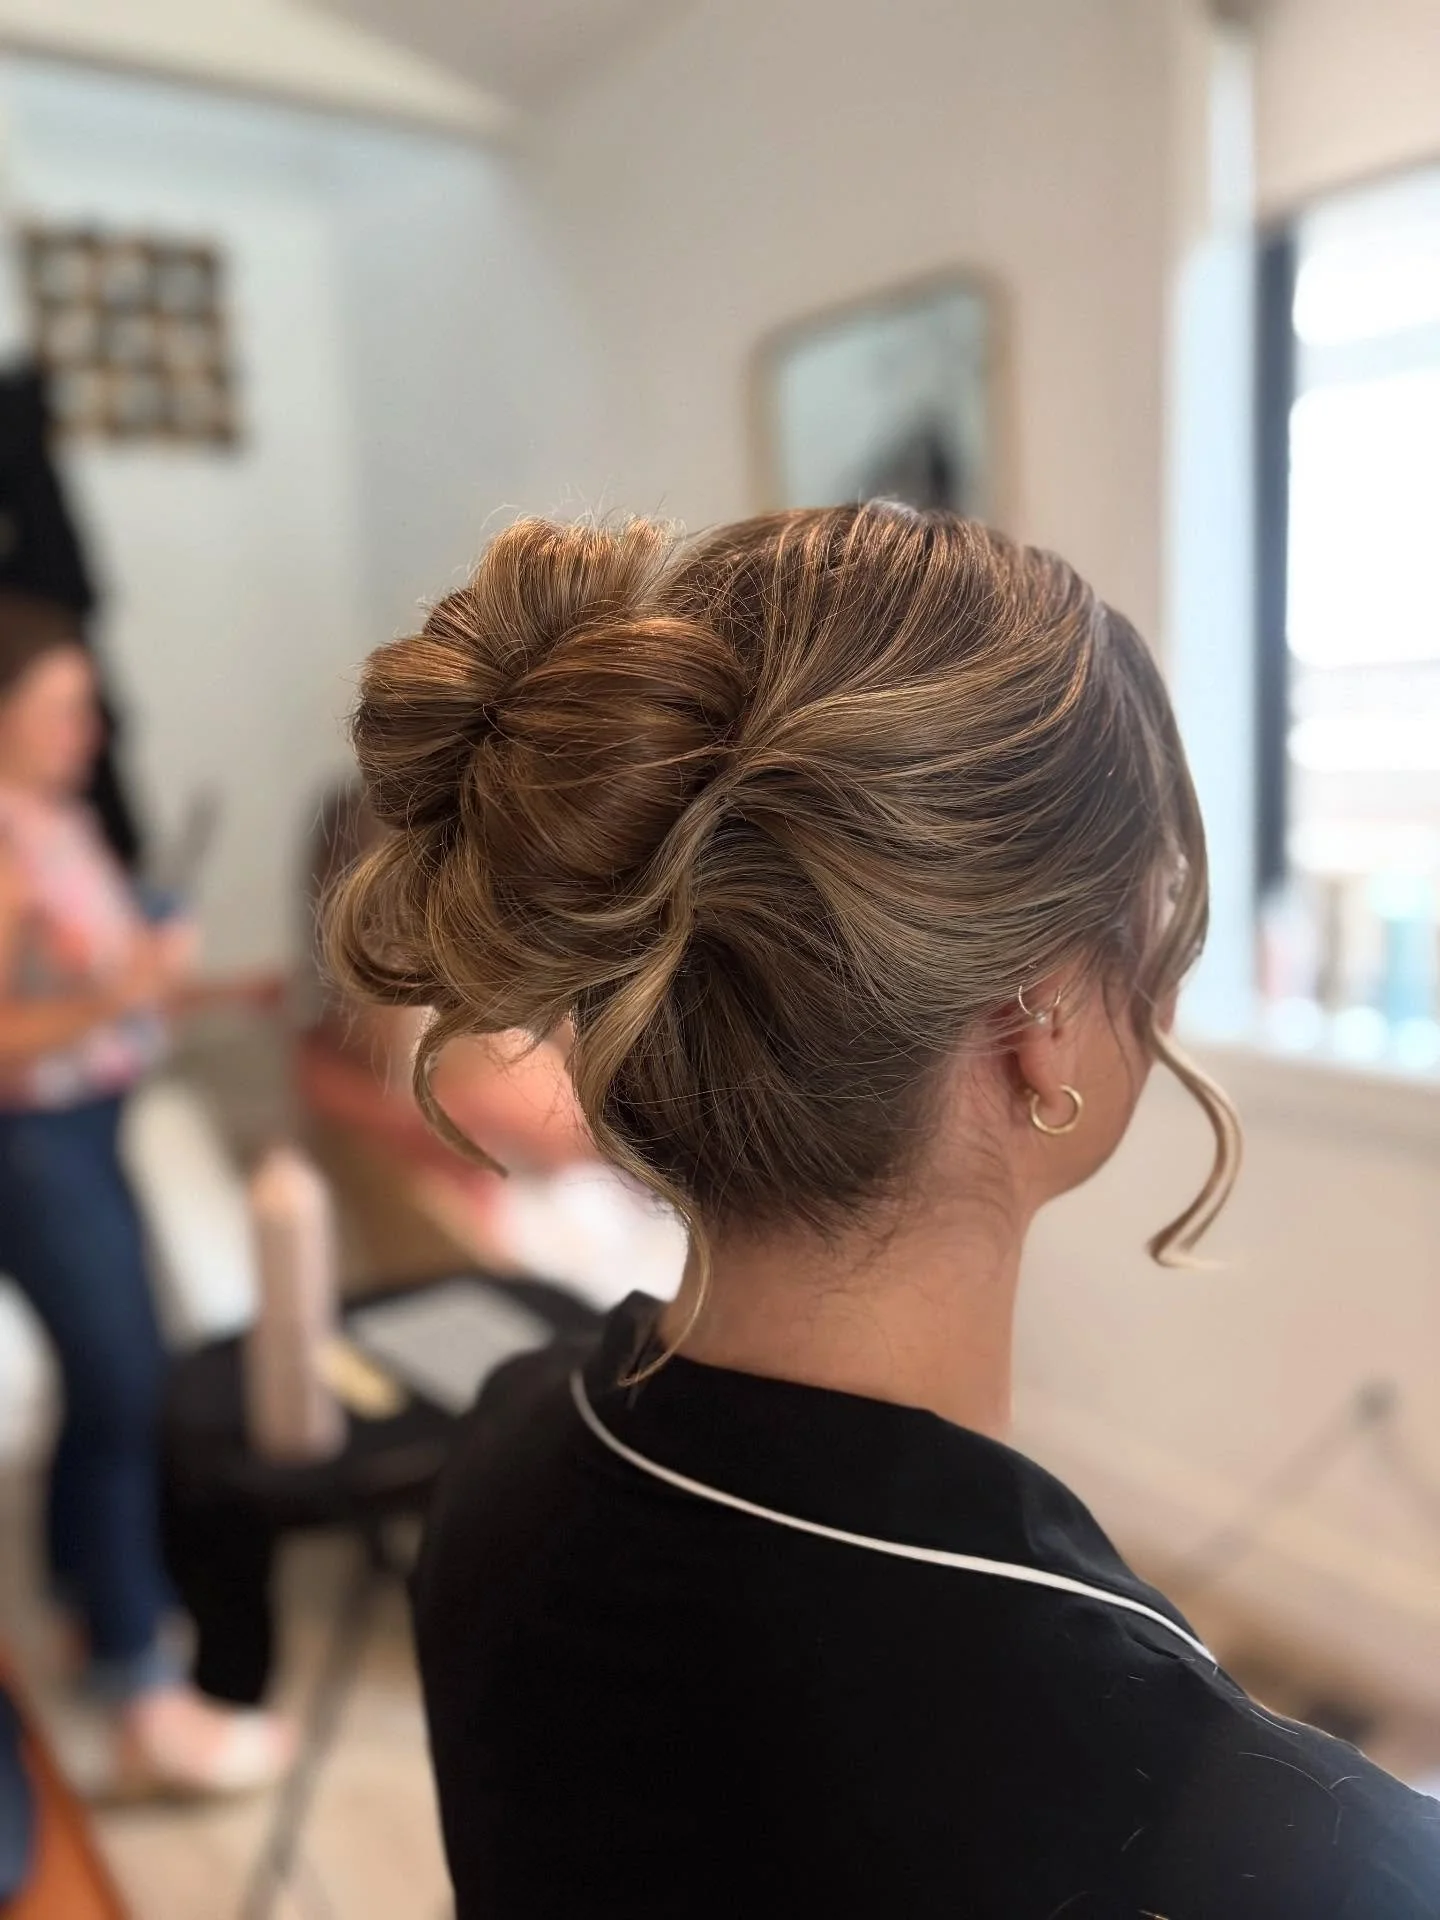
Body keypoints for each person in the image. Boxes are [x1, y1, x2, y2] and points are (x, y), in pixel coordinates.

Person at [329, 509, 1440, 1917]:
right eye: (1151, 921)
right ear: (1037, 1021)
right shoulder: (1275, 1859)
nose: (1162, 985)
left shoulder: (500, 1452)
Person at [0, 593, 291, 1796]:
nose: (92, 727)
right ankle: (139, 1689)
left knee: (117, 1383)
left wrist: (215, 992)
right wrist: (129, 991)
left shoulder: (59, 825)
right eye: (67, 705)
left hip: (93, 1121)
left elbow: (113, 996)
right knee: (124, 1387)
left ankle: (89, 1607)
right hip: (36, 1143)